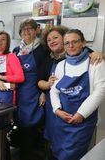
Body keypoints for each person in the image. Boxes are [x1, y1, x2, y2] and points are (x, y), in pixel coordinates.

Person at [38, 26, 104, 159]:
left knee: (72, 155)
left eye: (75, 41)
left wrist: (81, 114)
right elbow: (55, 90)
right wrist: (57, 110)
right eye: (67, 43)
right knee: (57, 151)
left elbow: (100, 91)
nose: (71, 45)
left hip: (82, 121)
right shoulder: (61, 65)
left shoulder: (95, 62)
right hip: (61, 119)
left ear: (83, 43)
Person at [12, 19, 49, 160]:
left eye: (30, 29)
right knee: (20, 128)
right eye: (23, 30)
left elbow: (47, 71)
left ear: (36, 31)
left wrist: (44, 92)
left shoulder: (42, 49)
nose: (26, 32)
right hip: (19, 94)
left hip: (34, 94)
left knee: (31, 130)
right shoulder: (16, 50)